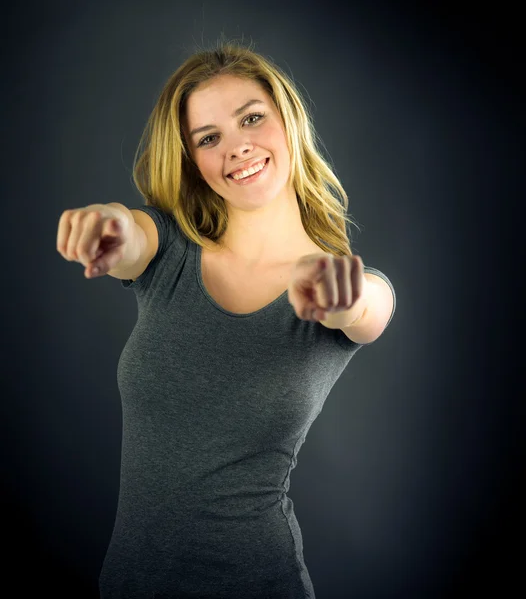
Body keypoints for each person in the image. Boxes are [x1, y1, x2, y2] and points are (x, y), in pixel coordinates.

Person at [57, 39, 396, 598]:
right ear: (194, 161)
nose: (237, 148)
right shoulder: (169, 251)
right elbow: (128, 234)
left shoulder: (340, 283)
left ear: (287, 120)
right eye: (209, 139)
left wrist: (345, 296)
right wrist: (107, 225)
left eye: (252, 119)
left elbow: (369, 308)